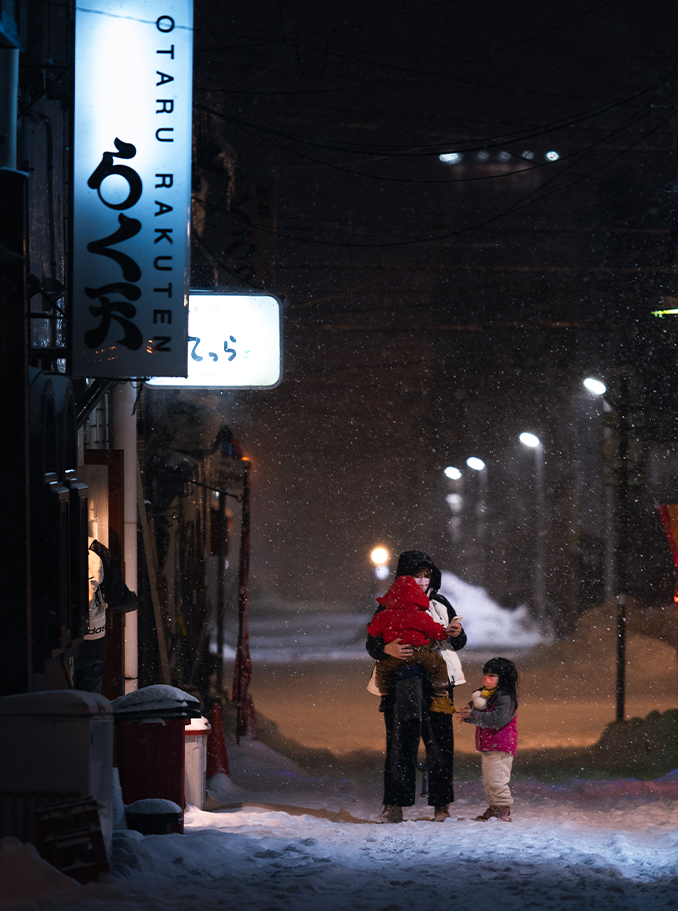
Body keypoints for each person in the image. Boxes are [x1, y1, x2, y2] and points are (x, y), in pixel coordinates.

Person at [366, 549, 467, 824]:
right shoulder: (389, 605)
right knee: (399, 745)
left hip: (438, 687)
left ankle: (441, 805)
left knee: (441, 745)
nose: (423, 580)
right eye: (417, 575)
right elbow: (371, 641)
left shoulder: (441, 603)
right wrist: (387, 648)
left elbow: (458, 641)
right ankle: (394, 805)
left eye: (427, 575)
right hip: (401, 686)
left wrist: (457, 634)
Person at [367, 573, 455, 713]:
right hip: (420, 654)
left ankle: (385, 698)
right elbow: (435, 631)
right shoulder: (421, 616)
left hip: (394, 655)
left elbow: (373, 631)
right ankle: (439, 698)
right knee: (438, 665)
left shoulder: (384, 615)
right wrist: (445, 633)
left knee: (382, 669)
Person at [456, 656, 519, 823]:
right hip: (489, 745)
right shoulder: (486, 695)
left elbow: (496, 720)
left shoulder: (505, 698)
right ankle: (493, 807)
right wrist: (467, 715)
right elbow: (481, 716)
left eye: (492, 676)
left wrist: (473, 715)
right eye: (485, 674)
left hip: (501, 745)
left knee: (497, 779)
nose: (486, 679)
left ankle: (503, 807)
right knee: (489, 780)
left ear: (503, 679)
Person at [73, 538, 138, 693]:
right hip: (93, 642)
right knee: (91, 703)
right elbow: (117, 597)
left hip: (63, 642)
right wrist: (135, 601)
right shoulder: (96, 551)